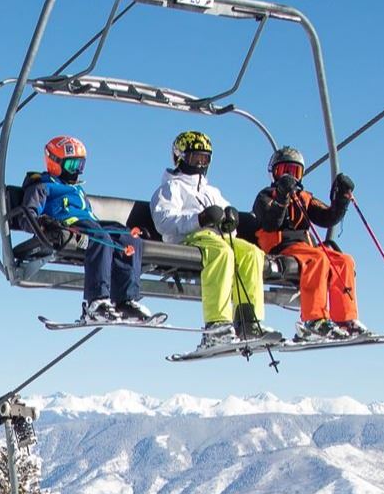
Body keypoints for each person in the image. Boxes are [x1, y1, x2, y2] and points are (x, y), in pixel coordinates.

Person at [148, 128, 278, 351]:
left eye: (204, 158)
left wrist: (230, 222)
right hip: (188, 240)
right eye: (194, 157)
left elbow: (229, 225)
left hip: (217, 238)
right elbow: (164, 221)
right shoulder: (170, 188)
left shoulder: (212, 191)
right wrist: (200, 219)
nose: (199, 163)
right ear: (180, 156)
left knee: (251, 253)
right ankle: (217, 325)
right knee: (221, 252)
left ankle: (248, 321)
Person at [16, 135, 151, 324]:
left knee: (129, 238)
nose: (76, 172)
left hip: (90, 224)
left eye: (80, 166)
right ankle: (96, 302)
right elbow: (26, 215)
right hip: (68, 226)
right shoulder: (42, 185)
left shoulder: (76, 189)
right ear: (54, 162)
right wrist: (44, 223)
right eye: (72, 165)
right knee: (99, 237)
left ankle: (125, 301)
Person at [240, 147, 371, 341]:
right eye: (285, 171)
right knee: (317, 258)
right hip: (279, 247)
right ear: (275, 173)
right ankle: (314, 319)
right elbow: (270, 223)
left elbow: (327, 217)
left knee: (344, 261)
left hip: (304, 248)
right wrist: (282, 197)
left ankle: (345, 319)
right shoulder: (266, 196)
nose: (291, 177)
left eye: (295, 172)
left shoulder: (304, 198)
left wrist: (341, 199)